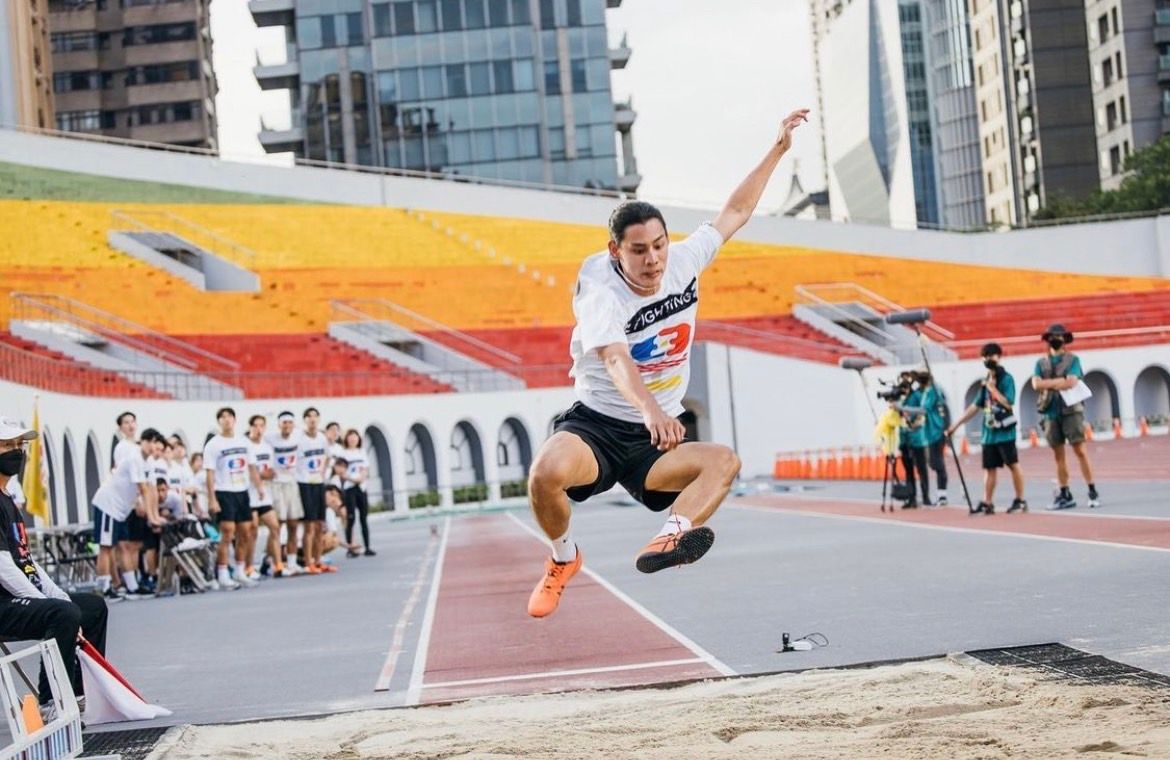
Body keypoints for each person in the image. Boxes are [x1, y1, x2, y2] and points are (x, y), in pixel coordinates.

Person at [523, 108, 809, 618]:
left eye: (659, 246)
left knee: (724, 462)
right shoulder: (599, 288)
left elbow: (736, 211)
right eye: (639, 251)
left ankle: (670, 538)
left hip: (652, 445)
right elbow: (614, 357)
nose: (653, 260)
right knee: (545, 474)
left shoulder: (684, 260)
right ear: (615, 251)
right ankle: (563, 559)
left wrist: (778, 150)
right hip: (599, 427)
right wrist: (652, 409)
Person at [0, 417, 108, 721]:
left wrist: (57, 594)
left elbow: (26, 559)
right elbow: (4, 569)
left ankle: (80, 692)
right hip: (4, 603)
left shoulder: (8, 500)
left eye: (19, 445)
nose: (17, 451)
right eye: (7, 445)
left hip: (19, 598)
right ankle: (52, 702)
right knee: (62, 613)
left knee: (92, 607)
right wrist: (48, 602)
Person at [946, 343, 1027, 515]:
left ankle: (1020, 500)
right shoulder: (985, 381)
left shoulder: (1006, 379)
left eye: (992, 355)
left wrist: (993, 389)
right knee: (989, 468)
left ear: (999, 357)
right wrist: (956, 425)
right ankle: (987, 502)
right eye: (985, 356)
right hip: (989, 433)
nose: (989, 359)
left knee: (1013, 464)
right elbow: (975, 406)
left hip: (1005, 433)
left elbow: (1009, 402)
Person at [1032, 324, 1099, 510]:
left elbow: (1072, 382)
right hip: (1050, 411)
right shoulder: (1041, 362)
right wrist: (1060, 382)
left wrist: (1049, 383)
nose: (1055, 339)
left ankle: (1092, 489)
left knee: (1080, 450)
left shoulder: (1073, 359)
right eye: (1052, 336)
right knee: (1058, 455)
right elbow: (1036, 384)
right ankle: (1064, 492)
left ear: (1064, 339)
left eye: (1059, 336)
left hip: (1071, 410)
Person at [92, 428, 164, 599]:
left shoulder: (149, 462)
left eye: (156, 443)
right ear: (143, 442)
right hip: (108, 504)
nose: (153, 446)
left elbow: (152, 490)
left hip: (121, 510)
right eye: (150, 442)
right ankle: (104, 588)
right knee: (106, 547)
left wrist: (155, 516)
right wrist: (150, 517)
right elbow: (143, 489)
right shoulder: (134, 458)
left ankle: (132, 586)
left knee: (124, 546)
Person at [203, 407, 261, 590]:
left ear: (235, 420)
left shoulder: (244, 441)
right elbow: (210, 473)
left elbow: (252, 467)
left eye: (229, 417)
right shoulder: (213, 444)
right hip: (224, 491)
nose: (226, 420)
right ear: (219, 422)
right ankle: (223, 574)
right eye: (223, 417)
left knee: (245, 532)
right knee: (227, 532)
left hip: (242, 491)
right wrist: (212, 499)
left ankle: (240, 571)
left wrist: (259, 487)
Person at [296, 407, 334, 574]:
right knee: (309, 526)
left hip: (319, 483)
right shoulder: (299, 439)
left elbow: (328, 456)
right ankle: (308, 561)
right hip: (305, 484)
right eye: (309, 417)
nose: (312, 419)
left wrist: (322, 473)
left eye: (315, 417)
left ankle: (318, 561)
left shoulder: (322, 438)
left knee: (319, 524)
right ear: (305, 420)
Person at [266, 411, 304, 577]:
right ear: (279, 424)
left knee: (293, 524)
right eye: (284, 423)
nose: (287, 426)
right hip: (276, 484)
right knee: (277, 525)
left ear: (293, 424)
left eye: (290, 422)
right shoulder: (270, 438)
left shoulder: (299, 436)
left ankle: (292, 562)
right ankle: (272, 561)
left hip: (292, 483)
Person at [245, 415, 281, 580]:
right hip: (250, 494)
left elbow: (271, 470)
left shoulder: (267, 447)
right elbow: (247, 471)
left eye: (261, 426)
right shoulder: (246, 446)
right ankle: (249, 566)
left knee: (275, 526)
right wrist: (260, 475)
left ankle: (277, 565)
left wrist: (269, 474)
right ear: (250, 428)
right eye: (256, 426)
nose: (259, 429)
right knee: (252, 531)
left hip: (264, 495)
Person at [899, 372, 930, 508]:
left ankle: (926, 497)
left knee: (921, 469)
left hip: (917, 438)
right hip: (904, 439)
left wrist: (915, 423)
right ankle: (911, 498)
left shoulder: (917, 396)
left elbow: (922, 412)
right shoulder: (900, 399)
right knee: (908, 470)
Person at [919, 371, 950, 505]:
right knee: (933, 463)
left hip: (937, 431)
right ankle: (941, 494)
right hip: (930, 432)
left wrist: (904, 408)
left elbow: (924, 409)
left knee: (937, 463)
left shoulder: (934, 391)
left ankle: (942, 495)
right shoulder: (927, 392)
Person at [341, 429, 374, 557]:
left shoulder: (362, 452)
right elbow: (341, 471)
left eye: (355, 437)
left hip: (361, 487)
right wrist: (353, 479)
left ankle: (367, 547)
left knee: (363, 518)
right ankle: (351, 548)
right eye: (350, 437)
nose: (353, 439)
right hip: (349, 487)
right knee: (351, 518)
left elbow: (365, 468)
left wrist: (361, 478)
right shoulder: (343, 453)